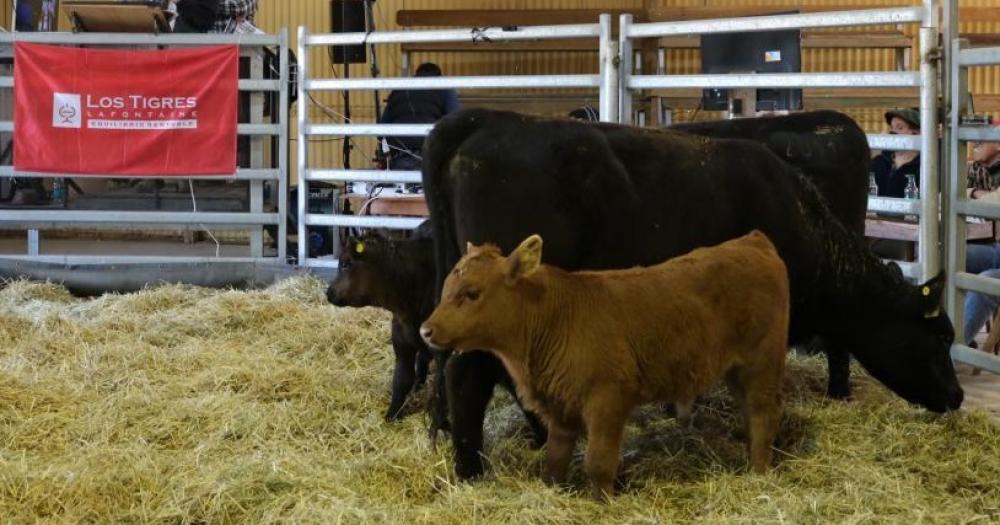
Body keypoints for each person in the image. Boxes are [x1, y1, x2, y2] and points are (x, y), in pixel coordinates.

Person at [378, 62, 459, 175]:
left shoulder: (399, 90)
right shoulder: (444, 88)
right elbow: (455, 124)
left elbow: (381, 128)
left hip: (400, 158)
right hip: (431, 158)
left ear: (417, 74)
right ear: (439, 76)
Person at [872, 108, 921, 198]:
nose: (893, 132)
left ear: (916, 133)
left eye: (900, 128)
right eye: (892, 128)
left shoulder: (924, 167)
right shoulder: (878, 162)